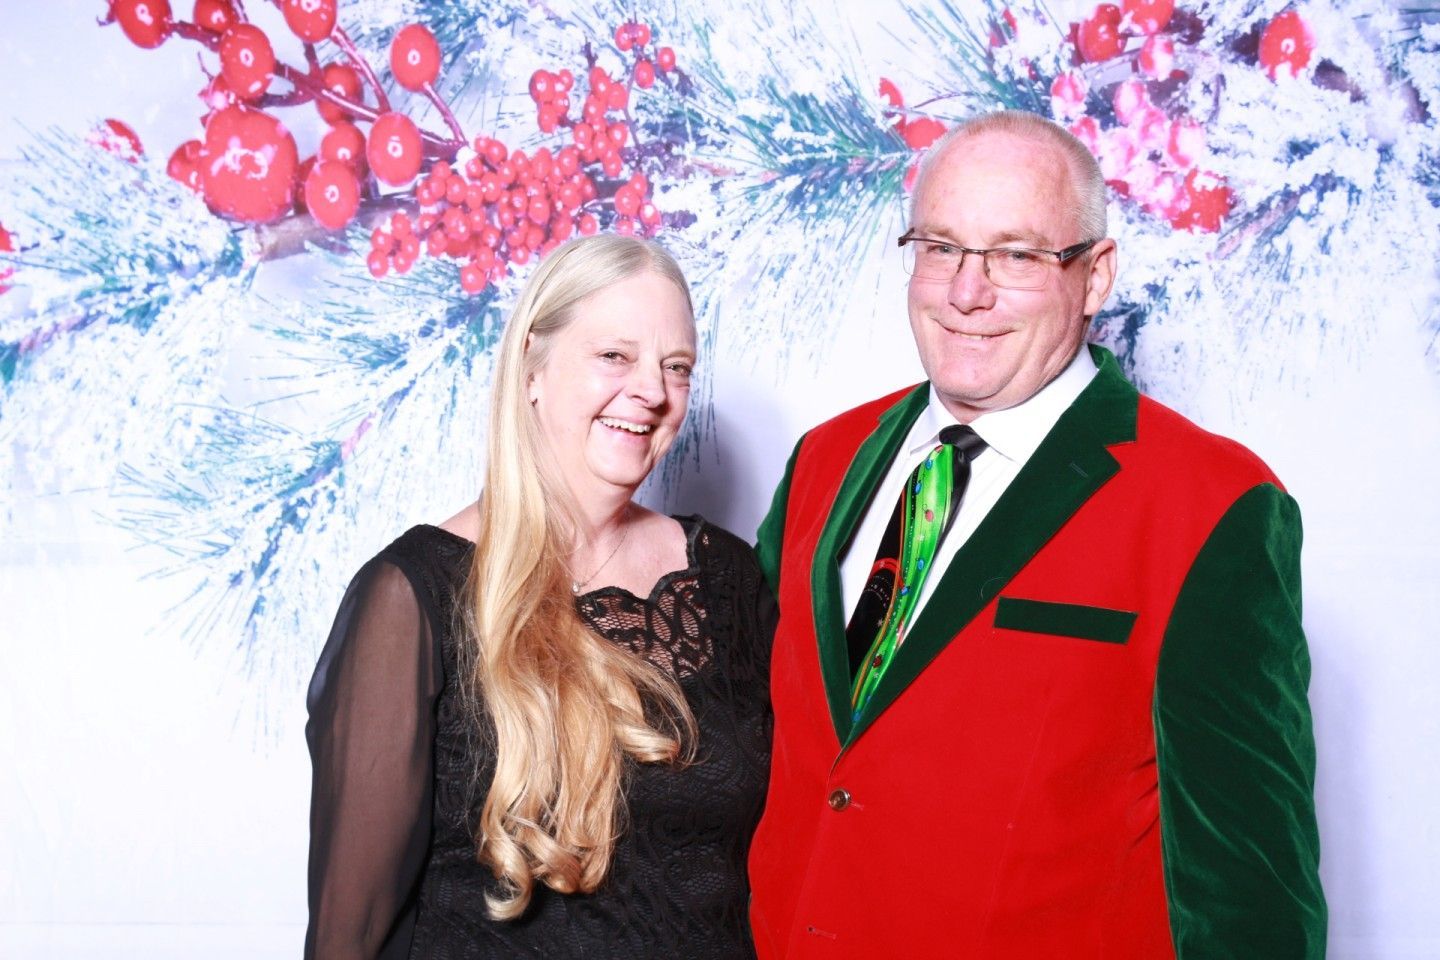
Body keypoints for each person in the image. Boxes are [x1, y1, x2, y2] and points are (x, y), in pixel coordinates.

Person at [747, 110, 1325, 958]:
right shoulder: (824, 462)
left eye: (1015, 254)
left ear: (1094, 277)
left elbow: (1252, 897)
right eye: (940, 247)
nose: (965, 291)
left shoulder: (1213, 506)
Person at [304, 235, 772, 959]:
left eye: (675, 367)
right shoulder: (415, 597)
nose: (651, 391)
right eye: (615, 356)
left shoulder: (728, 578)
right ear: (532, 369)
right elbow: (349, 933)